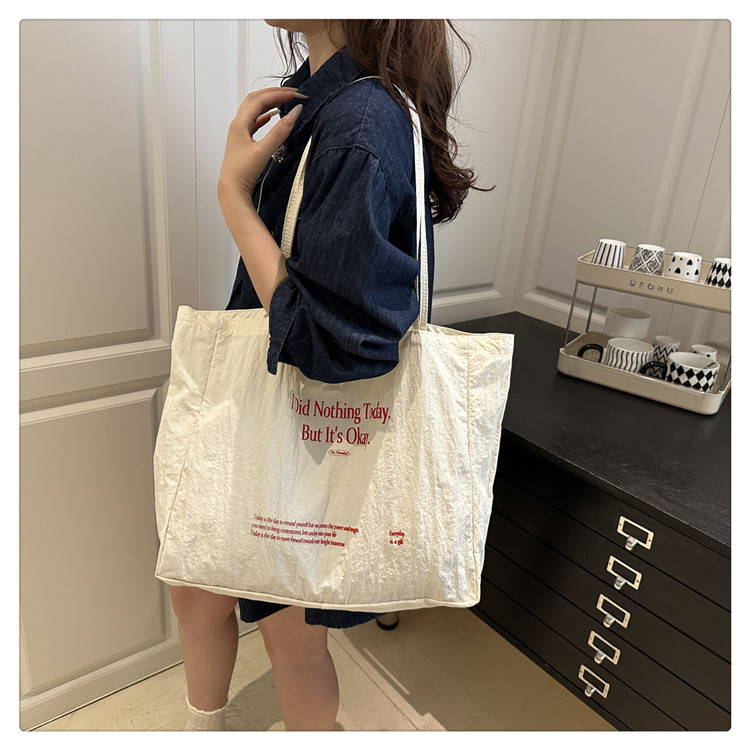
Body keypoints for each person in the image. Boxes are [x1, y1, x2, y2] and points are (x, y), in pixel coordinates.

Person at [169, 19, 482, 731]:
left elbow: (331, 345)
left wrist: (233, 196)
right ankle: (201, 731)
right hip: (260, 404)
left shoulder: (358, 121)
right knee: (196, 585)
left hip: (300, 417)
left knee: (289, 632)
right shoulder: (320, 100)